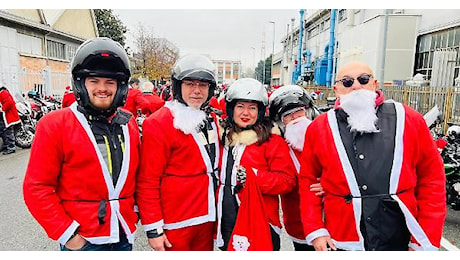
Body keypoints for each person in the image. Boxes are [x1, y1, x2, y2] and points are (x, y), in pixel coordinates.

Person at [298, 61, 446, 251]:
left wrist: (424, 241)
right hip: (342, 237)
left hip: (399, 233)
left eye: (363, 79)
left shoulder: (409, 119)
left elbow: (432, 180)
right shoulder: (319, 127)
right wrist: (316, 230)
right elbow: (307, 182)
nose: (356, 86)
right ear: (336, 89)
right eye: (347, 82)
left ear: (375, 84)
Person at [23, 37, 141, 251]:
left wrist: (135, 210)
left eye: (110, 82)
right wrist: (68, 234)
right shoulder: (54, 125)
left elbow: (137, 176)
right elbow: (37, 188)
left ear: (120, 87)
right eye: (94, 81)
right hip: (84, 240)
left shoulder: (128, 123)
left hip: (123, 235)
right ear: (80, 84)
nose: (102, 88)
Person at [136, 54, 220, 251]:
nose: (197, 91)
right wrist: (154, 229)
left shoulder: (212, 120)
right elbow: (147, 180)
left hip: (207, 219)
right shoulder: (159, 122)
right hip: (176, 222)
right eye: (190, 84)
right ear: (178, 86)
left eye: (203, 85)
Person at [215, 78, 296, 251]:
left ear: (260, 111)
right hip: (227, 216)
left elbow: (288, 181)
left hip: (260, 220)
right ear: (231, 109)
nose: (246, 113)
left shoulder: (272, 141)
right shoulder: (222, 138)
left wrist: (255, 177)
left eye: (252, 108)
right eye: (240, 106)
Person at [268, 84, 321, 251]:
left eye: (299, 111)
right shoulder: (279, 148)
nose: (295, 118)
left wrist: (330, 183)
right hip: (299, 224)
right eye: (287, 115)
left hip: (333, 222)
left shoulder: (326, 137)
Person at [0, 85, 20, 155]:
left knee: (8, 132)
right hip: (4, 117)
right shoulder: (3, 92)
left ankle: (11, 147)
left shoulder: (3, 93)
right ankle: (6, 146)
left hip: (8, 116)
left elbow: (9, 102)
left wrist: (2, 109)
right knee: (3, 132)